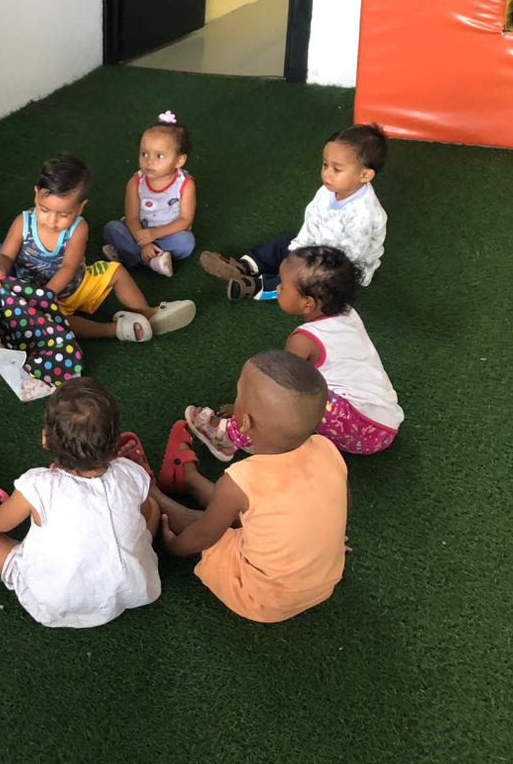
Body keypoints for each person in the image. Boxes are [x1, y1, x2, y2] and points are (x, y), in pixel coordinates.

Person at [153, 351, 349, 624]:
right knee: (251, 510)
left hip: (262, 597)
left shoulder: (240, 480)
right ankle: (189, 480)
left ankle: (154, 496)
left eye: (238, 394)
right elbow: (341, 502)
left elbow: (205, 534)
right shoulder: (327, 448)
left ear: (245, 422)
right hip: (323, 580)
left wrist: (175, 547)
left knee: (215, 527)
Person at [0, 378, 162, 628]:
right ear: (115, 442)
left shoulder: (38, 486)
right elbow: (144, 513)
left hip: (56, 602)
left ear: (45, 439)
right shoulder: (130, 473)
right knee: (153, 507)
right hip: (132, 590)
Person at [185, 246, 403, 458]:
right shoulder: (347, 314)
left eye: (283, 285)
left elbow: (282, 392)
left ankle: (229, 437)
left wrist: (244, 409)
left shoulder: (303, 341)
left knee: (278, 393)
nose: (278, 289)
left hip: (362, 429)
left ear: (308, 303)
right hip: (384, 422)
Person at [0, 154, 195, 343]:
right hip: (39, 299)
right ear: (36, 195)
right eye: (44, 210)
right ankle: (112, 330)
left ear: (80, 207)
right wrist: (0, 269)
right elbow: (6, 255)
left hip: (77, 285)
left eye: (63, 215)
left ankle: (147, 313)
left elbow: (69, 266)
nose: (52, 221)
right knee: (56, 320)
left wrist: (48, 293)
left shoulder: (79, 228)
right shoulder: (23, 222)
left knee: (116, 271)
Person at [199, 123, 389, 300]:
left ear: (365, 175)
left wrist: (307, 261)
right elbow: (312, 219)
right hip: (319, 245)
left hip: (342, 268)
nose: (326, 173)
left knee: (306, 277)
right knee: (283, 243)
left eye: (336, 169)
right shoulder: (328, 191)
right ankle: (244, 266)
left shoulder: (364, 214)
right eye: (325, 164)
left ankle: (257, 287)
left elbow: (347, 258)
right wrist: (298, 248)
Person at [101, 110, 196, 277]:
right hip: (138, 232)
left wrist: (154, 234)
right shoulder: (135, 182)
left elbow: (185, 220)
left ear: (179, 160)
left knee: (186, 243)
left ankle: (131, 256)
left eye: (159, 156)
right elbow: (131, 218)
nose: (149, 161)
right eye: (144, 154)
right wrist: (144, 244)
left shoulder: (185, 185)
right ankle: (152, 261)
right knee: (112, 229)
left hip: (167, 234)